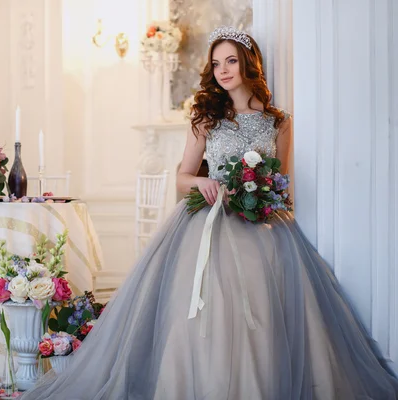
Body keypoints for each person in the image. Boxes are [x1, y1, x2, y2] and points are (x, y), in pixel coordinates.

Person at [21, 26, 398, 399]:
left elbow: (283, 184)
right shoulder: (206, 119)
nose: (223, 70)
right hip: (208, 222)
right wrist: (203, 183)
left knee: (264, 311)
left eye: (231, 60)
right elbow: (181, 178)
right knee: (206, 311)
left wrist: (263, 194)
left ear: (249, 64)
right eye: (217, 63)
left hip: (264, 226)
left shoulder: (279, 122)